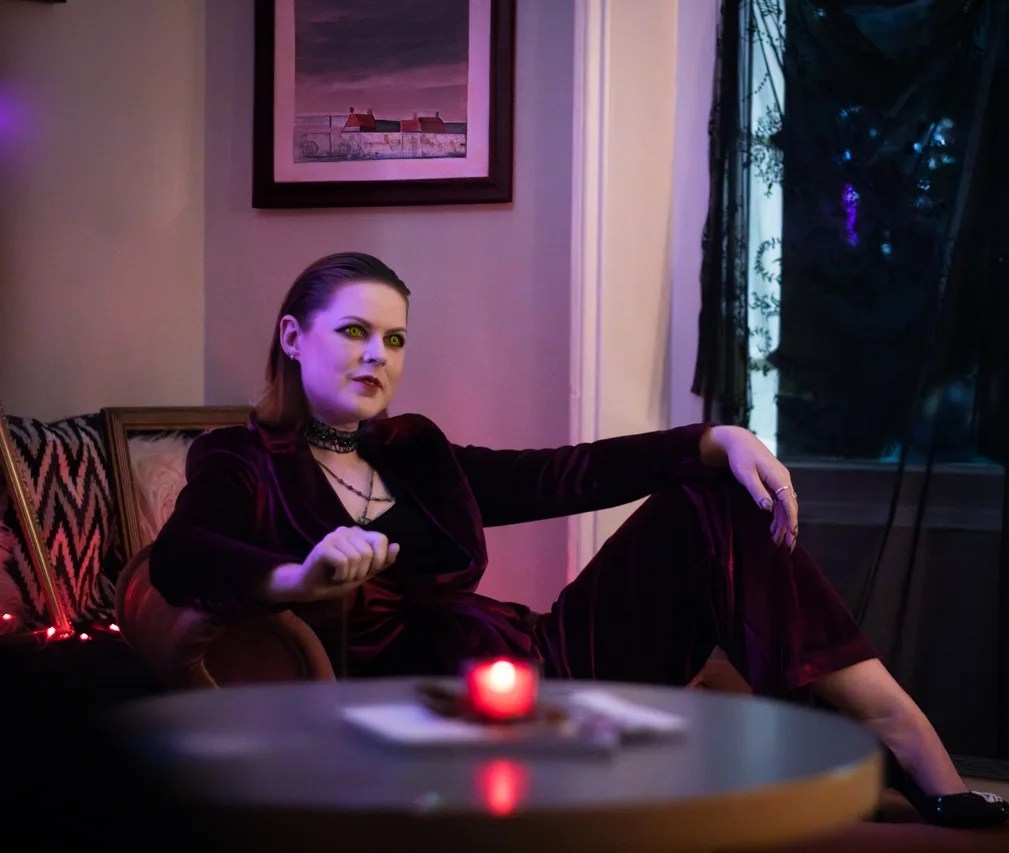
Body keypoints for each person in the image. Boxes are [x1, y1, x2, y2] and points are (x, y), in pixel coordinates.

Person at [150, 251, 1006, 830]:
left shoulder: (413, 452)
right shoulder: (241, 460)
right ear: (293, 337)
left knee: (708, 497)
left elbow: (562, 473)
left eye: (395, 338)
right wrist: (298, 576)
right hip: (444, 720)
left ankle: (897, 728)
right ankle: (867, 744)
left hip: (541, 660)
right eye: (353, 331)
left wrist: (715, 438)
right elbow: (181, 557)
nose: (378, 355)